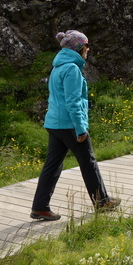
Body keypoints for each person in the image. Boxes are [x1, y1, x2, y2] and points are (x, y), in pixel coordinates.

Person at [30, 30, 118, 221]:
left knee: (52, 167)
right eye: (86, 45)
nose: (88, 48)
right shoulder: (71, 69)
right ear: (78, 48)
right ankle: (102, 202)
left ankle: (40, 207)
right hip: (69, 125)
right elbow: (72, 102)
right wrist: (80, 129)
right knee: (88, 162)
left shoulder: (57, 67)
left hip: (54, 124)